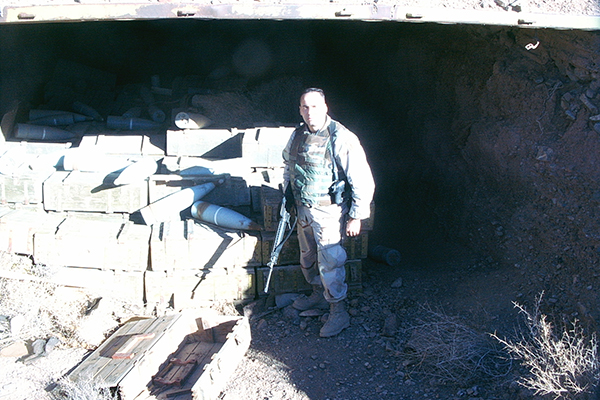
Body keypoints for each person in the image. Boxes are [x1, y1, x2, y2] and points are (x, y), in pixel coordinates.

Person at [282, 88, 375, 337]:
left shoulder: (341, 137)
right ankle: (318, 295)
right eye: (304, 107)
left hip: (328, 211)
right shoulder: (298, 135)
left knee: (331, 262)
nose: (309, 112)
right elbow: (288, 165)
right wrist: (288, 193)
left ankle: (338, 311)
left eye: (314, 106)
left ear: (325, 107)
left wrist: (356, 215)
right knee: (308, 257)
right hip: (303, 209)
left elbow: (362, 179)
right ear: (300, 109)